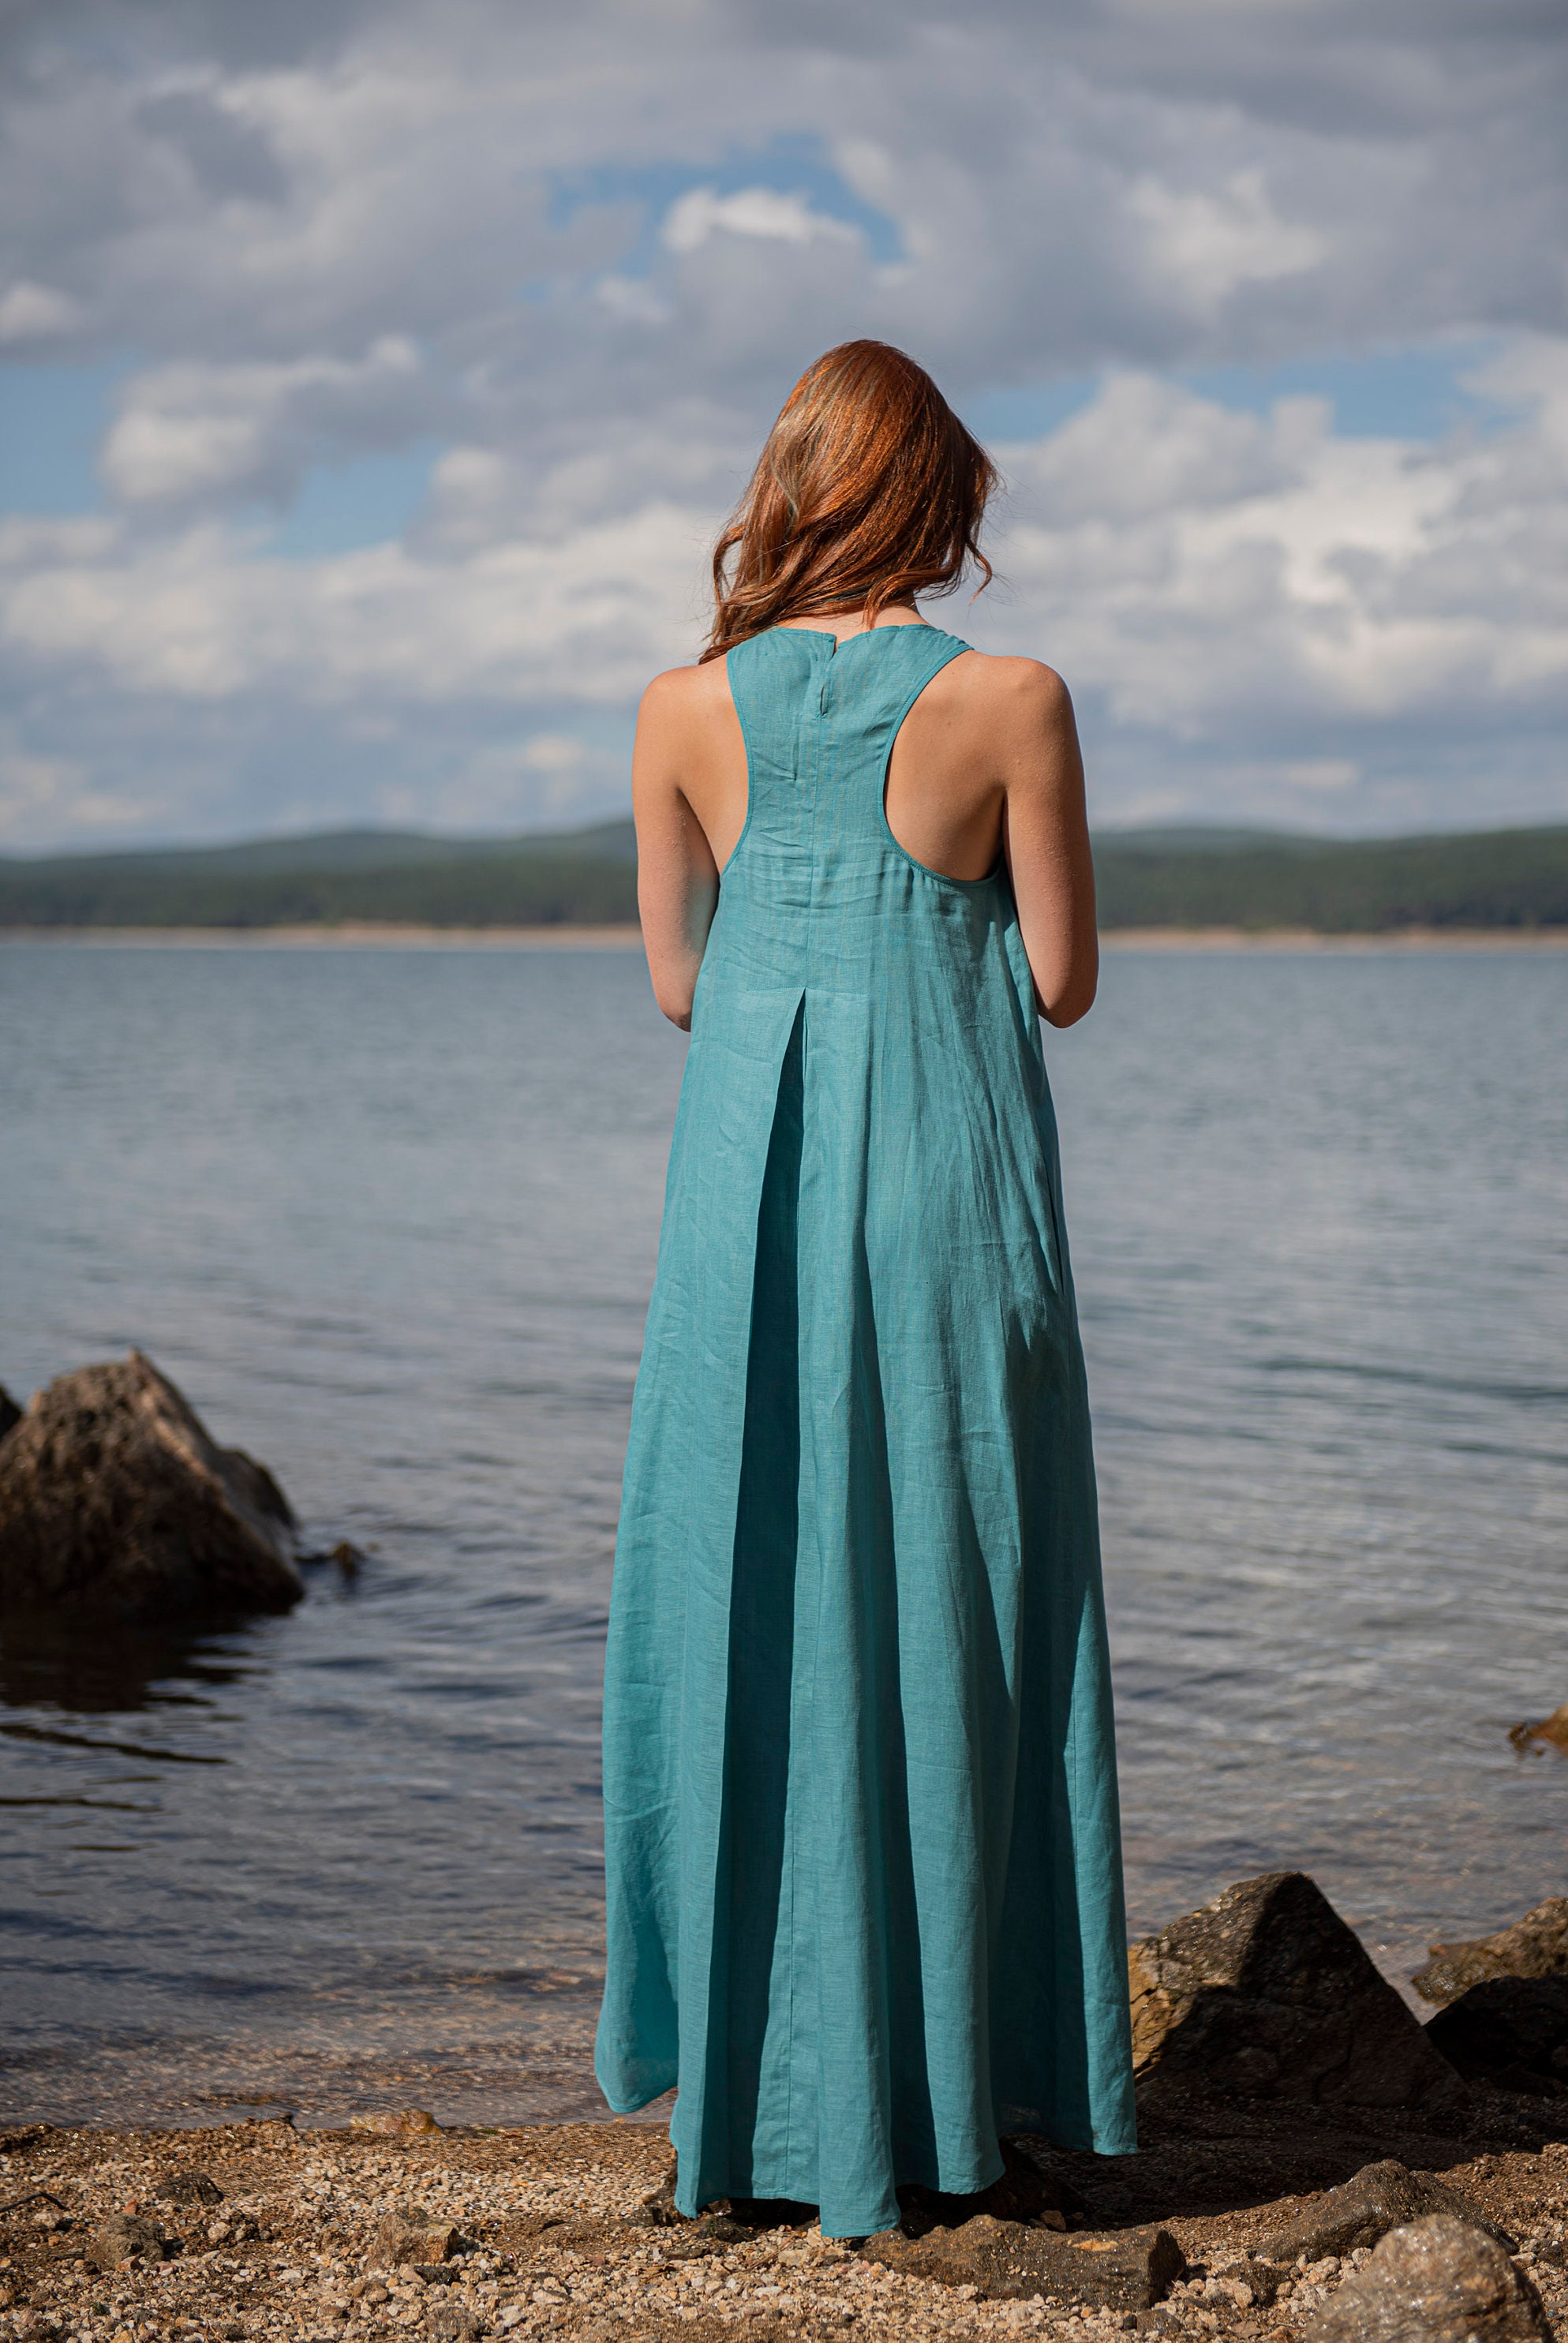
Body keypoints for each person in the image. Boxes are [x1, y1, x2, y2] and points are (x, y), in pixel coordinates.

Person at [595, 339, 1135, 2240]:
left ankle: (753, 2113)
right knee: (961, 1602)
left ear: (791, 485)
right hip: (941, 1199)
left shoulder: (676, 709)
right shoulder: (1013, 698)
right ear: (941, 500)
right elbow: (1058, 979)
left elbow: (680, 985)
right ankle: (955, 2102)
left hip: (742, 1204)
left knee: (744, 1592)